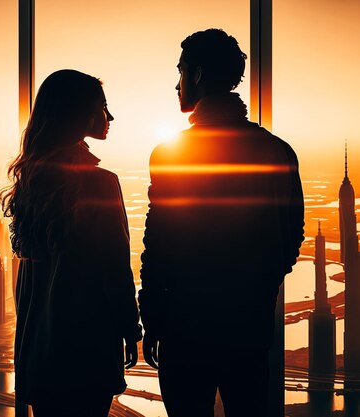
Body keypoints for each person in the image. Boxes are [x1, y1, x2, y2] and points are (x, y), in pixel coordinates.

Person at [138, 29, 304, 416]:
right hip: (248, 327)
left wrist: (153, 318)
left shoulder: (172, 154)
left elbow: (157, 246)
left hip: (184, 330)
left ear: (196, 75)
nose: (175, 84)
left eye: (180, 72)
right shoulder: (277, 151)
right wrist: (256, 286)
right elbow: (290, 238)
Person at [1, 69, 142, 417]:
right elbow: (114, 267)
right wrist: (130, 328)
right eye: (102, 107)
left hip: (39, 347)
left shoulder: (32, 182)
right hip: (85, 344)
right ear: (79, 113)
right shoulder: (100, 184)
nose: (110, 117)